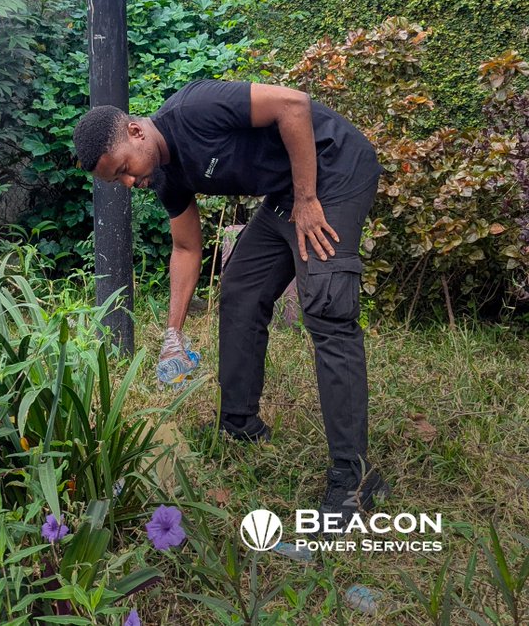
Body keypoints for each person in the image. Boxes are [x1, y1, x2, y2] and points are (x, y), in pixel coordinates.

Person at [72, 79, 389, 519]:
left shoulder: (195, 109)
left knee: (327, 309)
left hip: (334, 172)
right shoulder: (164, 176)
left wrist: (308, 198)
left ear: (136, 132)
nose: (129, 182)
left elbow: (293, 104)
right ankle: (239, 425)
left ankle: (354, 478)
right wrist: (173, 332)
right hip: (286, 194)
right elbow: (185, 249)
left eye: (124, 169)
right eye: (118, 180)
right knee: (240, 289)